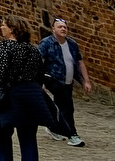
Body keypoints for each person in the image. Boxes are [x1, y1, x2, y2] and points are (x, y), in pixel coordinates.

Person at [0, 15, 51, 161]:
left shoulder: (6, 46)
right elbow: (40, 75)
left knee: (2, 133)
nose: (1, 28)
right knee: (28, 138)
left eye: (4, 25)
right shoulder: (33, 50)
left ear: (13, 29)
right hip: (32, 96)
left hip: (10, 96)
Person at [38, 17, 89, 147]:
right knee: (67, 106)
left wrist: (86, 81)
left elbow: (80, 62)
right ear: (53, 29)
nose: (63, 29)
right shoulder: (46, 43)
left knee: (60, 106)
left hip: (68, 81)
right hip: (52, 78)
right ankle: (72, 135)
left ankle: (53, 128)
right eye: (60, 27)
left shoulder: (72, 44)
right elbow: (38, 62)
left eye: (65, 27)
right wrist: (40, 81)